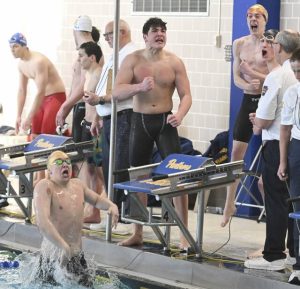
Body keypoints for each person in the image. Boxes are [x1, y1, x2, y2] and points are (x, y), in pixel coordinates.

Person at [112, 17, 192, 248]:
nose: (160, 34)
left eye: (163, 30)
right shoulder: (132, 60)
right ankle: (138, 232)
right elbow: (117, 92)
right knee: (139, 177)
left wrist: (181, 114)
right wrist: (139, 87)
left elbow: (186, 95)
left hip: (166, 122)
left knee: (178, 176)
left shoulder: (175, 62)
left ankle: (184, 235)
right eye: (155, 31)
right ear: (145, 36)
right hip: (141, 122)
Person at [245, 29, 300, 271]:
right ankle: (291, 253)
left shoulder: (276, 76)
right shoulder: (291, 74)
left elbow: (263, 123)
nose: (268, 45)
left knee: (276, 200)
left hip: (277, 144)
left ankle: (274, 255)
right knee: (290, 201)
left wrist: (256, 119)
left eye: (271, 42)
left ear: (279, 47)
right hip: (290, 145)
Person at [33, 150, 118, 286]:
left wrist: (111, 205)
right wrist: (63, 246)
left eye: (67, 161)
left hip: (76, 256)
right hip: (54, 258)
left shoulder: (78, 185)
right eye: (59, 162)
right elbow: (42, 223)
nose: (65, 164)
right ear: (49, 171)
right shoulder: (45, 187)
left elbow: (96, 200)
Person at [83, 19, 136, 224]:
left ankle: (122, 212)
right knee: (108, 164)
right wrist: (98, 114)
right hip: (109, 117)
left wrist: (100, 101)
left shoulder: (129, 56)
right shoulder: (116, 55)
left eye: (108, 36)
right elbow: (107, 85)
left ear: (122, 32)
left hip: (122, 117)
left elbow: (121, 91)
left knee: (119, 165)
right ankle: (116, 209)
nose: (105, 40)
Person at [221, 4, 269, 227]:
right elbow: (236, 78)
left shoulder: (270, 43)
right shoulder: (239, 43)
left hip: (268, 104)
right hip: (248, 101)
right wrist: (248, 82)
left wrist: (258, 78)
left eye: (257, 15)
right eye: (249, 16)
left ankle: (273, 210)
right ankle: (230, 202)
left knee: (272, 157)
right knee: (235, 154)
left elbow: (276, 75)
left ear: (265, 19)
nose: (253, 19)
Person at [56, 15, 103, 141]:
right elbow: (77, 83)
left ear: (75, 31)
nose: (79, 58)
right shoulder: (85, 49)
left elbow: (83, 86)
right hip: (78, 105)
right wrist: (68, 106)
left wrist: (64, 107)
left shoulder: (89, 51)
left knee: (82, 154)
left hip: (85, 107)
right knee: (79, 152)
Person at [9, 32, 66, 138]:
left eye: (15, 46)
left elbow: (41, 91)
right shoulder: (21, 65)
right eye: (11, 47)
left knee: (46, 135)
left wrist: (29, 117)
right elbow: (22, 90)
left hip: (55, 97)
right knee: (34, 134)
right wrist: (18, 116)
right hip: (42, 99)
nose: (12, 50)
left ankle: (66, 133)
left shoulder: (38, 61)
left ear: (24, 46)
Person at [278, 47, 300, 284]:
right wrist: (283, 161)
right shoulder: (293, 92)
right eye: (294, 71)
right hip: (297, 150)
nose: (297, 75)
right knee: (297, 206)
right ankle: (298, 262)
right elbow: (284, 130)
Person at [78, 41, 106, 223]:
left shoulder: (100, 74)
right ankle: (93, 210)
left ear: (92, 57)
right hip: (87, 125)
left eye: (81, 56)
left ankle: (108, 206)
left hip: (97, 128)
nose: (78, 59)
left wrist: (98, 121)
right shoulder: (89, 74)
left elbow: (103, 102)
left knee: (101, 171)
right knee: (89, 169)